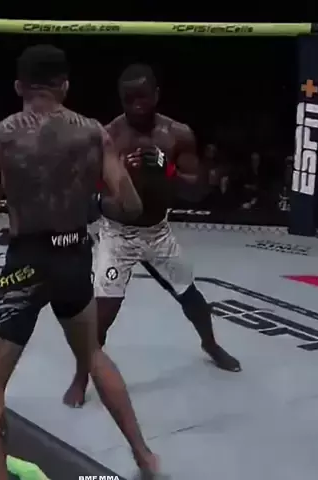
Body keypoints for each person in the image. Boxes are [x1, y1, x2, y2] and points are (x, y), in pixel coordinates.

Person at [0, 46, 159, 479]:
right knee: (93, 355)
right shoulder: (93, 133)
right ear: (65, 86)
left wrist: (5, 191)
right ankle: (146, 457)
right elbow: (130, 205)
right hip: (74, 258)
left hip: (26, 263)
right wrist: (91, 202)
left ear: (19, 86)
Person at [64, 63, 241, 408]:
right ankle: (81, 377)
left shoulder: (177, 135)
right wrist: (117, 185)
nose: (137, 105)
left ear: (156, 95)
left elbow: (198, 191)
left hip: (158, 232)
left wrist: (167, 170)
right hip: (118, 234)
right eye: (129, 99)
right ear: (120, 100)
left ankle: (210, 344)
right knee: (103, 313)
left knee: (190, 295)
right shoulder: (109, 137)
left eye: (143, 97)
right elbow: (89, 197)